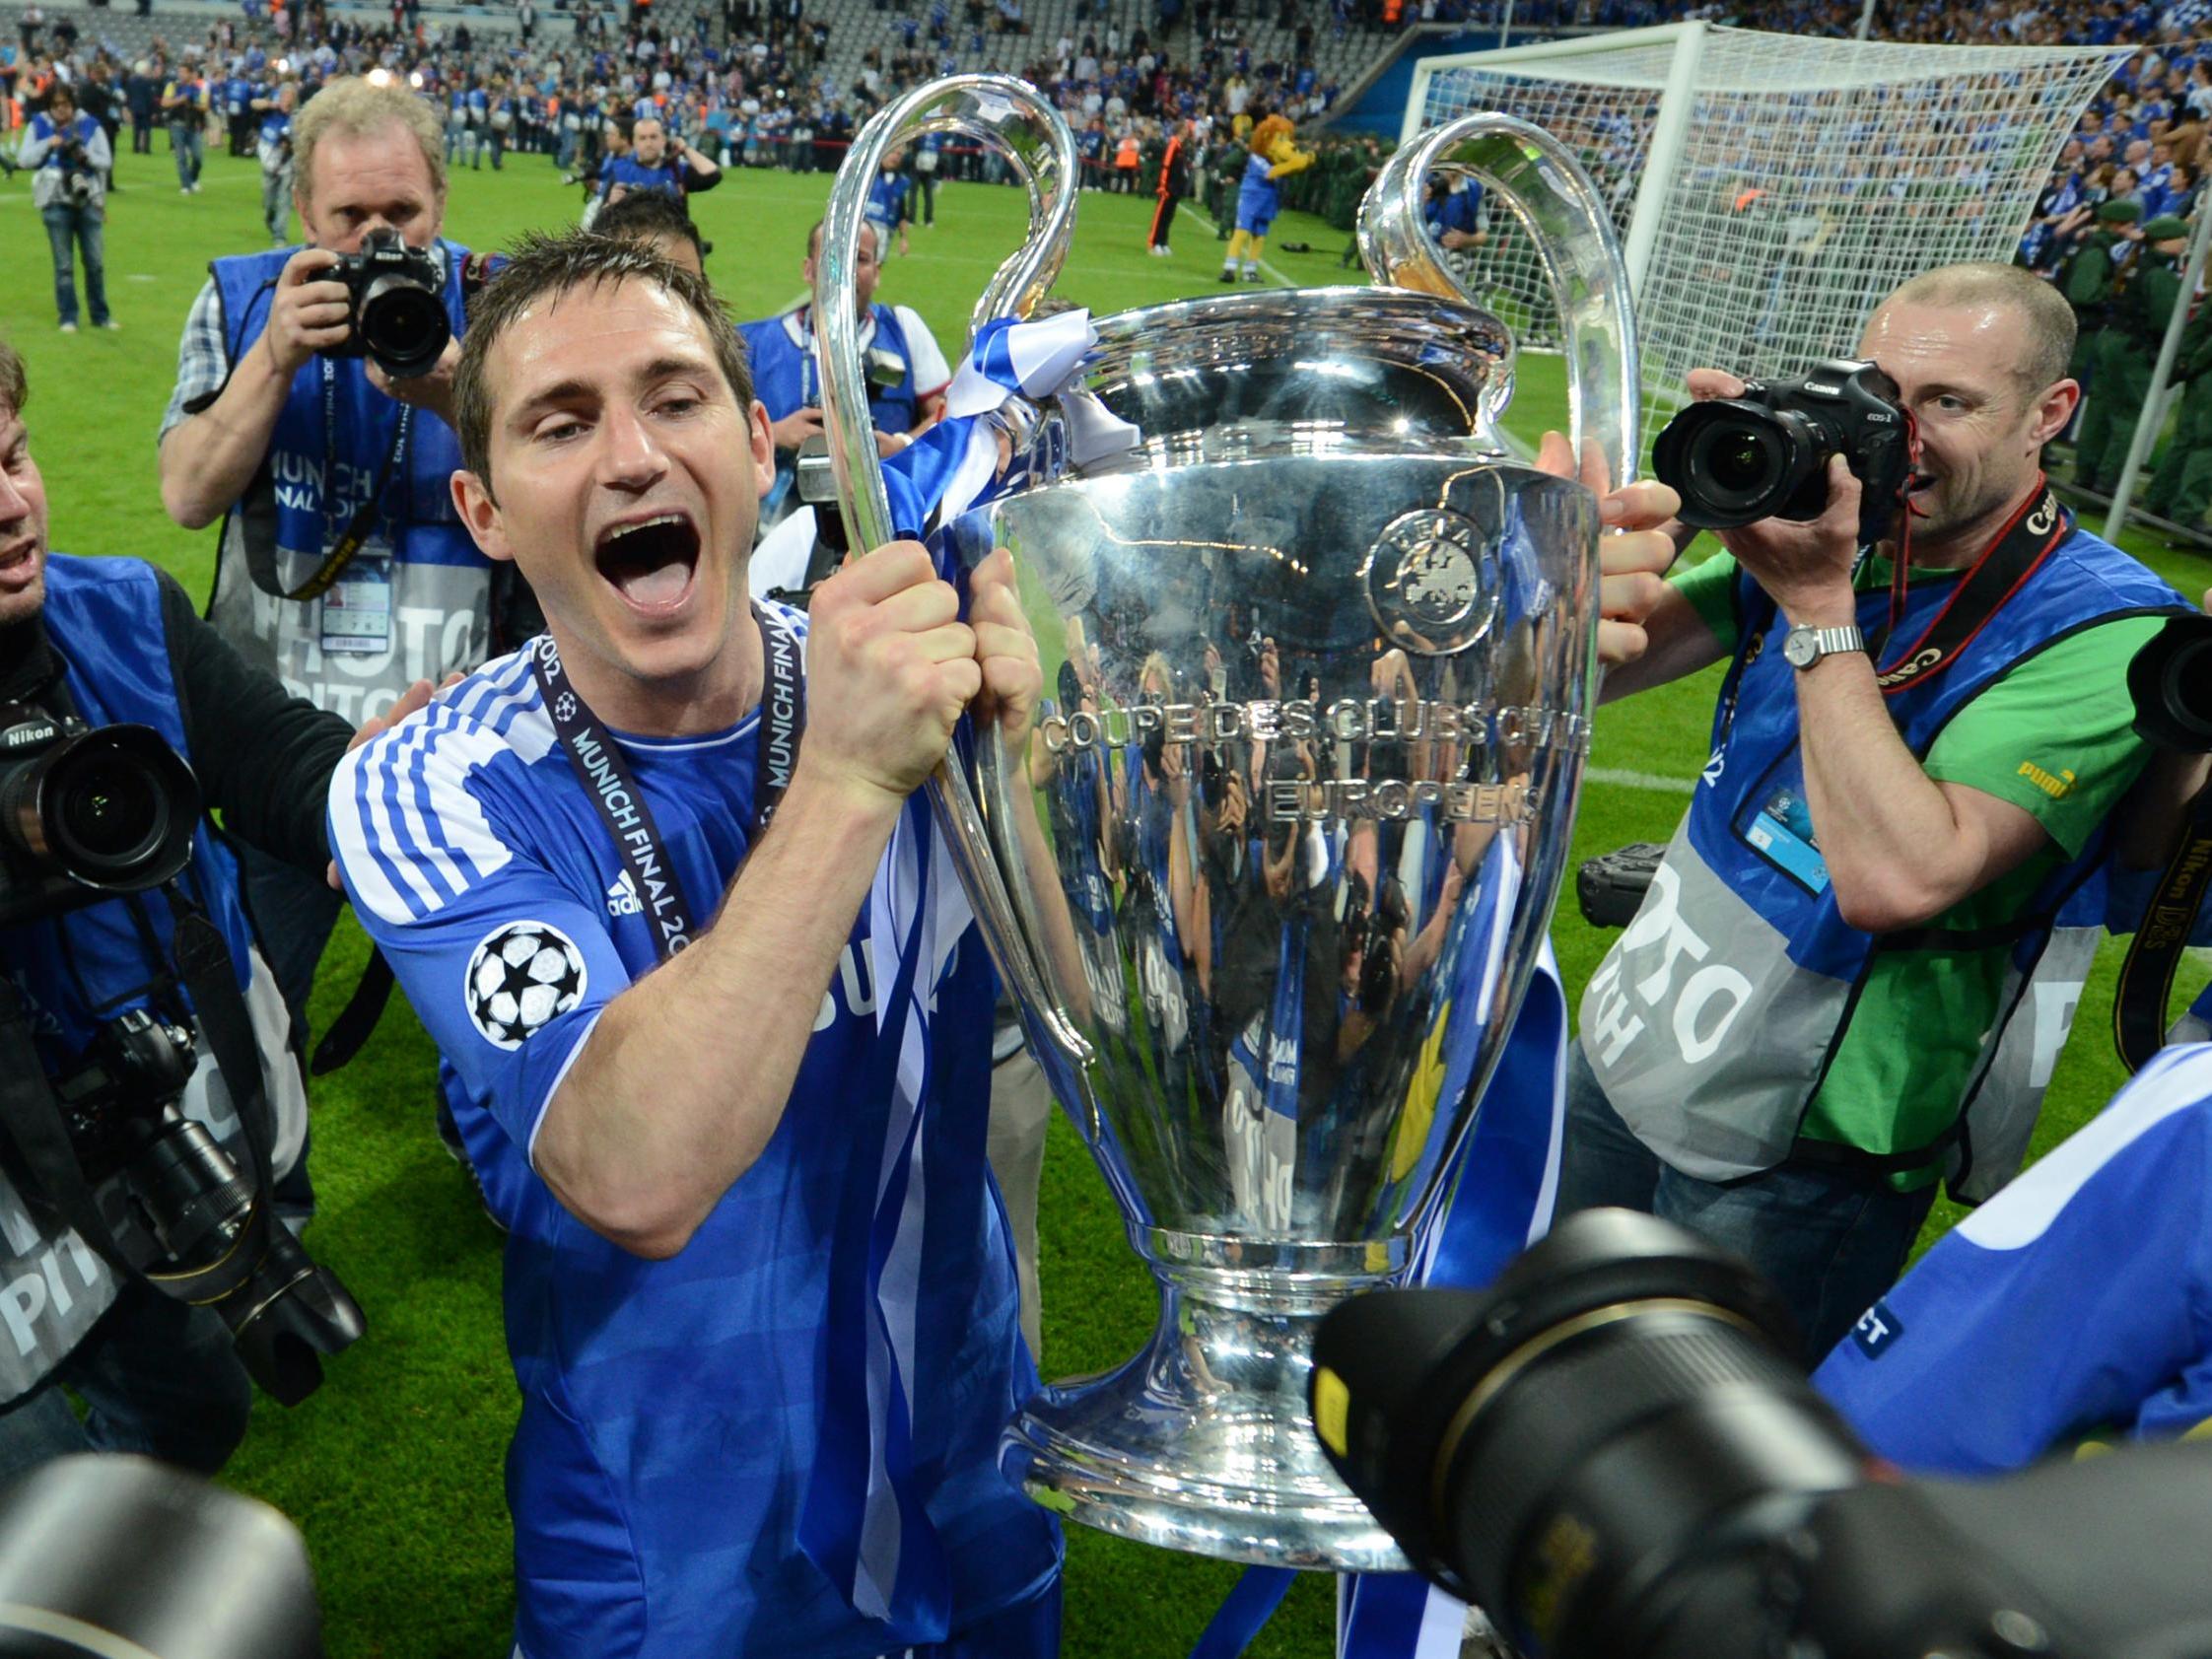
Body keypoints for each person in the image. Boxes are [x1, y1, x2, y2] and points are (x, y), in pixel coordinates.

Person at [327, 231, 1064, 1659]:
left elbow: (1149, 1032)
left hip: (971, 1462)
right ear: (483, 508)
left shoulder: (922, 683)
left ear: (757, 444)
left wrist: (1044, 783)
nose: (630, 456)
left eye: (674, 398)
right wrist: (849, 782)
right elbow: (631, 1165)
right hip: (668, 1554)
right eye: (561, 420)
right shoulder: (431, 784)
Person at [1555, 262, 2189, 1364]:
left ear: (2052, 413)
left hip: (1812, 1142)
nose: (1904, 435)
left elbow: (1902, 878)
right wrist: (1614, 534)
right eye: (1882, 393)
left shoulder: (2111, 633)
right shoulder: (1838, 530)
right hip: (1643, 1044)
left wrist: (1817, 608)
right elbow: (1600, 667)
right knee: (1551, 1357)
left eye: (1950, 404)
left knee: (1698, 1451)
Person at [0, 334, 420, 1481]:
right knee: (35, 1520)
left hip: (168, 1105)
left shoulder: (123, 612)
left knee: (196, 1409)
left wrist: (382, 802)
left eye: (16, 457)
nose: (11, 506)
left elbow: (281, 761)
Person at [156, 74, 503, 1089]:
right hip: (282, 737)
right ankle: (265, 1184)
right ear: (305, 210)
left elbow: (553, 514)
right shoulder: (241, 297)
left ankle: (486, 1145)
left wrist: (449, 388)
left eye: (402, 211)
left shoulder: (494, 304)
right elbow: (185, 493)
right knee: (255, 999)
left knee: (498, 1007)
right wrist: (272, 360)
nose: (377, 237)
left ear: (439, 201)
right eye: (349, 216)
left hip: (454, 733)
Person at [737, 218, 950, 523]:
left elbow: (949, 416)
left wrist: (901, 445)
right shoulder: (755, 344)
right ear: (808, 270)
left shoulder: (903, 328)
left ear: (876, 273)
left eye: (861, 259)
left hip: (886, 519)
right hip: (780, 524)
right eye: (833, 258)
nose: (847, 271)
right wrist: (777, 434)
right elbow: (714, 438)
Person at [2075, 213, 2192, 495]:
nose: (2185, 243)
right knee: (2128, 417)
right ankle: (2108, 482)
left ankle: (2085, 475)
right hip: (2134, 350)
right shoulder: (2161, 276)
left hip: (2111, 339)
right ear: (2166, 242)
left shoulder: (2132, 266)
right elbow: (2165, 323)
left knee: (2099, 411)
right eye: (2181, 238)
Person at [21, 85, 113, 334]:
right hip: (54, 201)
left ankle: (100, 315)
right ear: (49, 107)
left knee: (95, 262)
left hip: (88, 200)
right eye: (56, 105)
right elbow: (24, 159)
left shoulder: (90, 125)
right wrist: (48, 144)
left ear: (73, 104)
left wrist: (87, 157)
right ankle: (68, 316)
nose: (62, 110)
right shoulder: (38, 125)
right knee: (64, 265)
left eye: (66, 104)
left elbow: (106, 161)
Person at [1220, 110, 1310, 284]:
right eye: (1281, 139)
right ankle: (1229, 268)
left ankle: (1250, 270)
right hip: (1250, 198)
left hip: (1268, 199)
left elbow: (1287, 170)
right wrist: (1295, 163)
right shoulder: (1256, 158)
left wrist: (1303, 162)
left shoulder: (1276, 160)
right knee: (1241, 232)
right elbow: (1270, 174)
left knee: (1259, 235)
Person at [595, 112, 720, 206]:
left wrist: (685, 148)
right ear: (634, 142)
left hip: (672, 236)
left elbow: (713, 175)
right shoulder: (619, 169)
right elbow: (600, 221)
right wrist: (610, 203)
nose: (648, 143)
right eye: (642, 138)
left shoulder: (676, 170)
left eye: (653, 137)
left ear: (663, 140)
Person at [252, 79, 296, 246]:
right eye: (284, 95)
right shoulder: (270, 111)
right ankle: (271, 220)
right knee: (269, 201)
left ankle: (280, 235)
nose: (286, 98)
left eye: (289, 96)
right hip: (268, 162)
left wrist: (288, 142)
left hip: (286, 163)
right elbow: (254, 103)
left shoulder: (295, 117)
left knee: (284, 200)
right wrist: (271, 105)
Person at [159, 59, 208, 192]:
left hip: (193, 125)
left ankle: (193, 179)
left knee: (198, 157)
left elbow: (204, 107)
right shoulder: (173, 86)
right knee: (181, 157)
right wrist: (180, 99)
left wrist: (193, 104)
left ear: (191, 74)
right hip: (177, 124)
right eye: (179, 72)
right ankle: (185, 185)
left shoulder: (198, 88)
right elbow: (164, 103)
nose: (180, 74)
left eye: (183, 72)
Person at [1147, 114, 1190, 255]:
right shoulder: (1173, 144)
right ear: (1180, 130)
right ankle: (1153, 243)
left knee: (1169, 216)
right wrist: (1163, 185)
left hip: (1176, 188)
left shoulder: (1180, 146)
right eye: (1185, 128)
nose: (1187, 130)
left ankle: (1163, 242)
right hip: (1168, 187)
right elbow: (1166, 165)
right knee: (1161, 215)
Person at [865, 147, 913, 256]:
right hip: (862, 230)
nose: (896, 156)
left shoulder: (901, 183)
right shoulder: (867, 175)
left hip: (884, 234)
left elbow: (901, 214)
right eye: (892, 152)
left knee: (874, 270)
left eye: (899, 154)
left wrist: (904, 239)